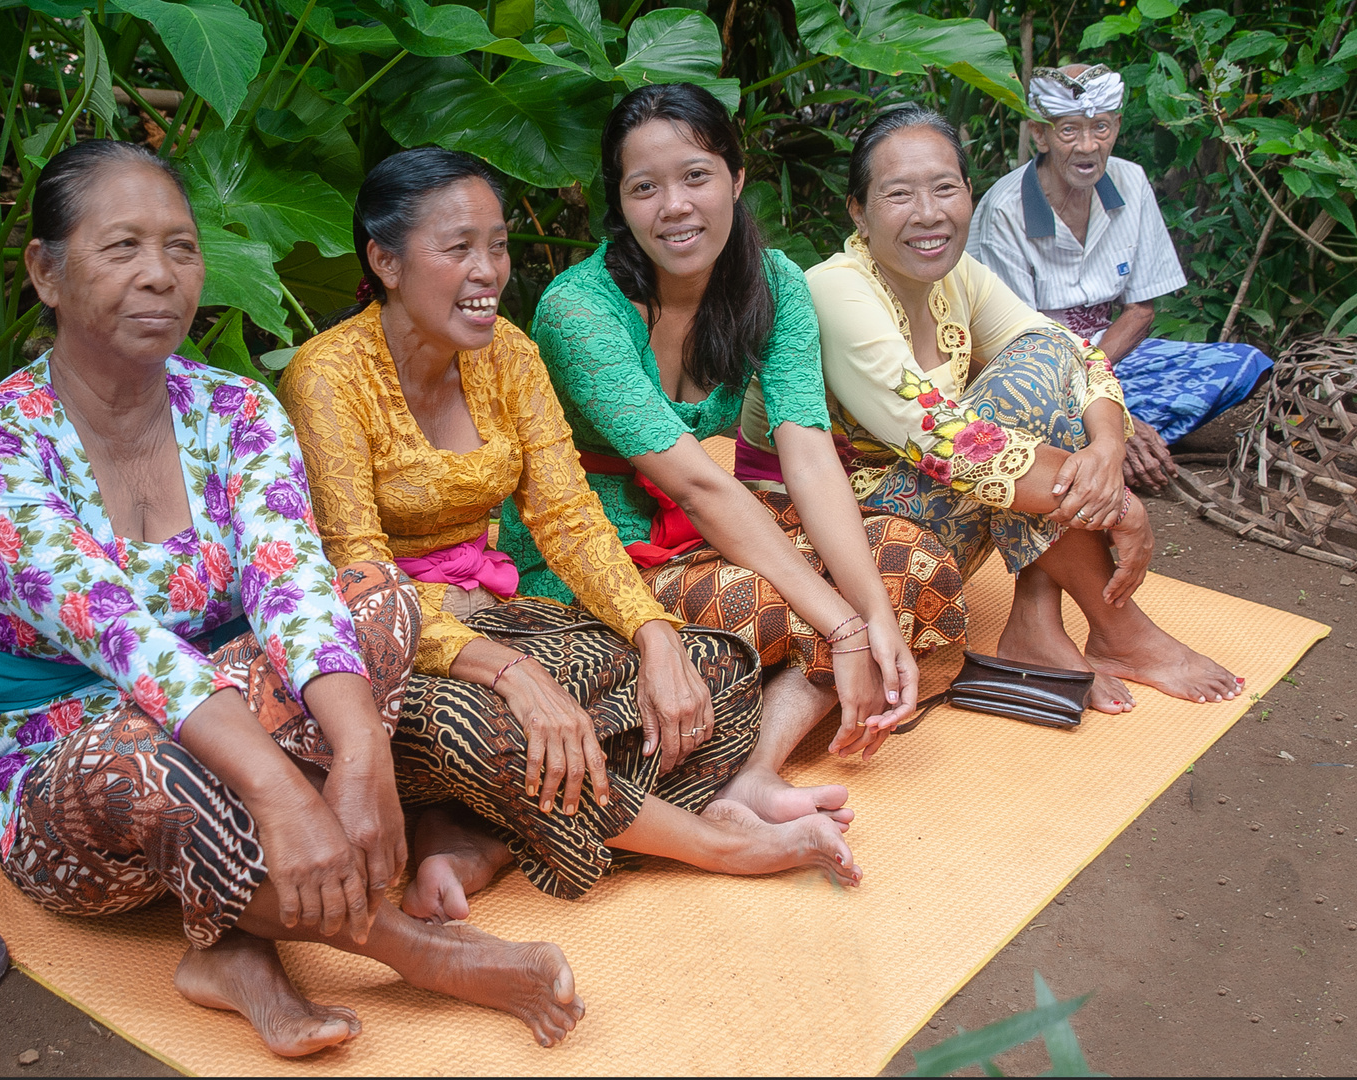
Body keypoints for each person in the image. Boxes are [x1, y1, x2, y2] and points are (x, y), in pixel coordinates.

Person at [0, 139, 588, 1056]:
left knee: (379, 597)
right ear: (46, 270)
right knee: (160, 768)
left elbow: (296, 587)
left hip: (237, 705)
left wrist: (360, 753)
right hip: (73, 761)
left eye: (180, 247)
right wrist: (285, 793)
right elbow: (131, 648)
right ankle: (423, 956)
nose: (160, 276)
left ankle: (230, 951)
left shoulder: (234, 411)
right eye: (123, 248)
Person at [282, 146, 863, 925]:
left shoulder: (510, 356)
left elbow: (568, 519)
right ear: (384, 260)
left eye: (496, 244)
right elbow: (356, 575)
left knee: (711, 673)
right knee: (491, 723)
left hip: (505, 611)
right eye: (459, 248)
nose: (488, 269)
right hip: (388, 647)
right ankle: (710, 842)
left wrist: (652, 633)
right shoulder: (328, 376)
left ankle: (478, 829)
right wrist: (511, 674)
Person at [500, 82, 968, 796]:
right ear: (620, 203)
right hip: (588, 557)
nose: (675, 206)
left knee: (914, 562)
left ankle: (751, 771)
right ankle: (757, 749)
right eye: (645, 187)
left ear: (736, 176)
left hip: (703, 532)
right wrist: (844, 625)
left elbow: (806, 452)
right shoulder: (579, 310)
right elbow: (697, 481)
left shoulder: (773, 282)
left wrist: (871, 616)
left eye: (696, 176)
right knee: (794, 606)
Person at [751, 106, 1243, 713]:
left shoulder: (960, 276)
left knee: (1036, 368)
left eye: (945, 188)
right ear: (858, 210)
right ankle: (1114, 629)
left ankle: (1044, 626)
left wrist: (1110, 451)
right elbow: (939, 437)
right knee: (1005, 416)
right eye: (899, 194)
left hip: (932, 492)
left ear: (969, 195)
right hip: (832, 522)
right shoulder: (836, 287)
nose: (928, 214)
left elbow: (1069, 353)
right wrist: (1115, 505)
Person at [966, 63, 1273, 491]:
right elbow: (1017, 343)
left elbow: (1141, 311)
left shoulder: (1131, 180)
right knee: (1026, 411)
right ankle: (1108, 436)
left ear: (1117, 127)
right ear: (1040, 134)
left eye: (1101, 128)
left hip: (1110, 355)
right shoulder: (1005, 208)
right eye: (1069, 130)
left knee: (1243, 364)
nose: (1087, 146)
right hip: (1032, 368)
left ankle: (1105, 436)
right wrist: (1110, 412)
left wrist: (1104, 392)